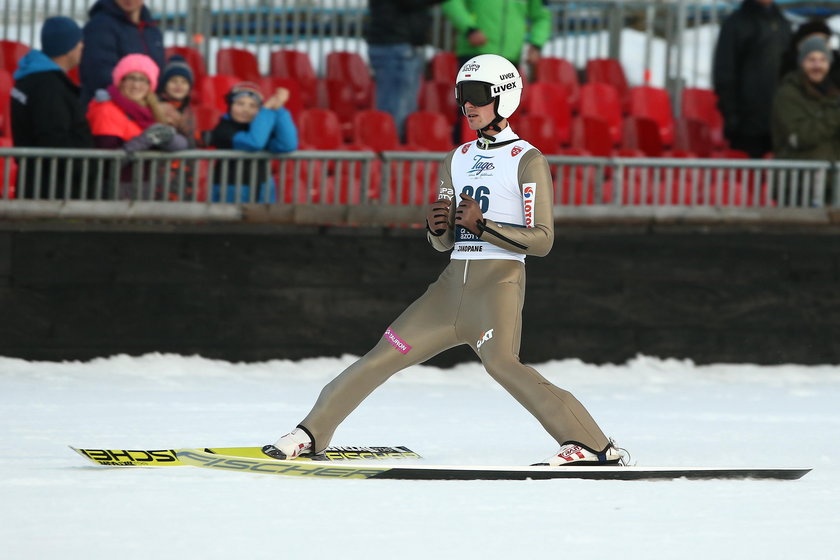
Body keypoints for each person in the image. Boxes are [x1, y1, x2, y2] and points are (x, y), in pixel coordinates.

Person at [262, 54, 623, 468]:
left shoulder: (528, 160)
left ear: (504, 97)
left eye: (476, 95)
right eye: (461, 96)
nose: (466, 105)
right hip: (450, 287)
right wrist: (437, 229)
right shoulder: (456, 158)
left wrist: (483, 225)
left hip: (496, 285)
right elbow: (443, 243)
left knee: (504, 365)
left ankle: (593, 445)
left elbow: (542, 240)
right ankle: (311, 433)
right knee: (381, 355)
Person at [10, 16, 95, 199]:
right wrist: (88, 173)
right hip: (55, 193)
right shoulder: (49, 87)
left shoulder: (28, 77)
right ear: (68, 48)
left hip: (37, 183)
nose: (82, 46)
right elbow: (54, 140)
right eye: (79, 42)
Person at [86, 53, 188, 199]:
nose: (136, 85)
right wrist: (146, 139)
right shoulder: (106, 109)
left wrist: (167, 136)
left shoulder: (151, 110)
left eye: (143, 80)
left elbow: (183, 146)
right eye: (131, 78)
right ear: (121, 81)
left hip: (144, 189)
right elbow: (107, 161)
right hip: (115, 191)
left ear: (149, 85)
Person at [713, 0, 792, 158]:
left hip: (780, 120)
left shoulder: (782, 22)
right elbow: (724, 72)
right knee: (747, 177)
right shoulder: (735, 23)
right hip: (746, 123)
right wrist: (731, 116)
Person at [206, 82, 298, 203]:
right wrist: (266, 109)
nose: (246, 110)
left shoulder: (261, 125)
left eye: (253, 105)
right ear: (230, 105)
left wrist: (278, 109)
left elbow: (287, 145)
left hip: (263, 188)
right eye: (240, 104)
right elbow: (254, 142)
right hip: (230, 189)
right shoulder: (224, 128)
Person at [366, 0, 444, 141]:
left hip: (395, 44)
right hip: (396, 45)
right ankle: (393, 151)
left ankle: (390, 147)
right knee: (398, 106)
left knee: (395, 103)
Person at [79, 0, 165, 107]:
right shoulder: (100, 25)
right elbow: (99, 75)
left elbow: (158, 72)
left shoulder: (152, 30)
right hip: (109, 107)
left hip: (145, 108)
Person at [772, 36, 840, 162]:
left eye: (823, 60)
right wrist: (835, 115)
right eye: (811, 59)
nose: (817, 65)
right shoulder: (787, 94)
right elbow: (800, 137)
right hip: (797, 176)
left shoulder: (833, 93)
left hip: (831, 176)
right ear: (801, 62)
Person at [441, 0, 551, 68]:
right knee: (473, 103)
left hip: (511, 58)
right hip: (475, 54)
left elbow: (542, 17)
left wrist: (536, 45)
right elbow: (451, 2)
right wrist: (469, 29)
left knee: (505, 105)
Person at [778, 18, 840, 87]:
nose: (820, 46)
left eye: (824, 41)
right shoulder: (789, 82)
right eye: (814, 42)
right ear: (799, 45)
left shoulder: (835, 74)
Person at [158, 55, 198, 147]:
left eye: (184, 82)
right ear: (164, 85)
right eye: (173, 81)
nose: (179, 85)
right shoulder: (157, 107)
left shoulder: (189, 111)